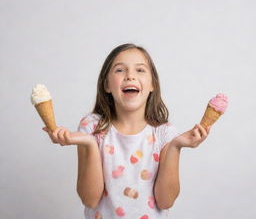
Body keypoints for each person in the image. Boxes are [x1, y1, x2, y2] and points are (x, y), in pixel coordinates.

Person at [43, 43, 211, 218]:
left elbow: (166, 201)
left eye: (140, 70)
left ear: (153, 84)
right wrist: (90, 144)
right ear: (106, 84)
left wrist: (176, 146)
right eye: (120, 70)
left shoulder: (164, 134)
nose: (130, 76)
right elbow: (89, 199)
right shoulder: (91, 127)